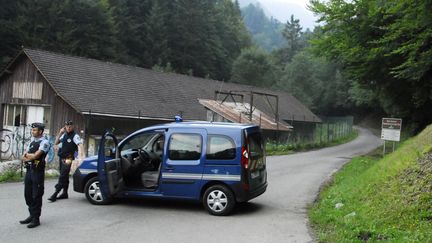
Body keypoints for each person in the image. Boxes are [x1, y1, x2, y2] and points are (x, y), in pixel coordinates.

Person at [19, 123, 50, 228]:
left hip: (38, 172)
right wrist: (29, 157)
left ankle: (36, 219)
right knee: (27, 194)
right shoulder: (31, 142)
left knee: (36, 195)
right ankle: (31, 215)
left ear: (40, 131)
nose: (32, 132)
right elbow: (23, 157)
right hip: (29, 170)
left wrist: (29, 157)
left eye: (35, 130)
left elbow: (37, 155)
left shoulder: (45, 142)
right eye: (32, 130)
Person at [48, 121, 84, 202]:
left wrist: (81, 156)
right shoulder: (64, 135)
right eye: (67, 126)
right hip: (62, 157)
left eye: (70, 126)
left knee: (62, 176)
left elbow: (80, 145)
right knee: (64, 175)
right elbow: (56, 142)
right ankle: (65, 193)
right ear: (65, 126)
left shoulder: (75, 136)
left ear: (73, 126)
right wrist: (60, 133)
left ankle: (55, 193)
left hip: (68, 158)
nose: (68, 127)